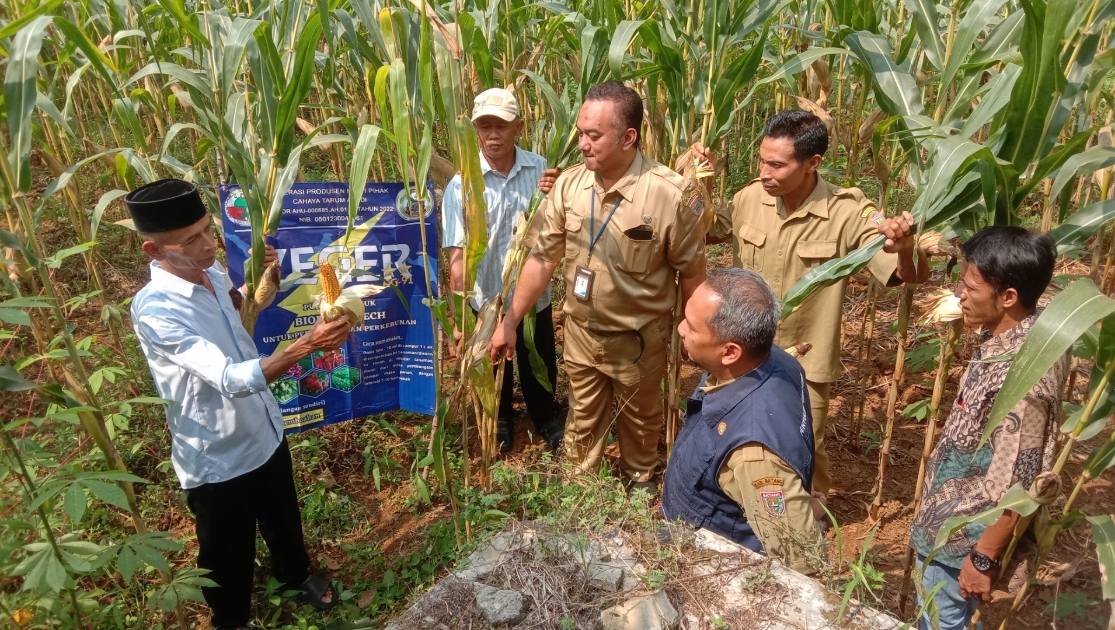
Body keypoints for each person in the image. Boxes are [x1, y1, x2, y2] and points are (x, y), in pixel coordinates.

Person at [127, 179, 352, 630]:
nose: (209, 244)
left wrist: (262, 281)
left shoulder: (210, 274)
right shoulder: (155, 310)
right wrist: (305, 345)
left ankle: (295, 573)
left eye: (208, 230)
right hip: (217, 453)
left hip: (263, 427)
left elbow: (240, 311)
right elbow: (229, 377)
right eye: (191, 240)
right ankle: (230, 618)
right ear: (154, 251)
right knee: (226, 551)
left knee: (282, 517)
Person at [489, 81, 708, 492]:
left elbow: (693, 274)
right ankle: (580, 496)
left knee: (641, 425)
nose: (582, 144)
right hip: (582, 337)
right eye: (580, 133)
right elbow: (540, 259)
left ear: (628, 137)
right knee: (581, 421)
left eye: (594, 136)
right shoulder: (570, 187)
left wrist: (698, 337)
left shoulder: (670, 195)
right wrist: (509, 321)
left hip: (639, 343)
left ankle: (638, 489)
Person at [701, 110, 929, 496]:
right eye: (761, 160)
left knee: (802, 446)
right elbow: (705, 228)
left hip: (805, 360)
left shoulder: (847, 212)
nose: (764, 172)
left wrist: (906, 249)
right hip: (742, 351)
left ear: (813, 163)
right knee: (733, 434)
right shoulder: (748, 198)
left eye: (777, 164)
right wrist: (696, 181)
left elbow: (910, 275)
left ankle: (809, 523)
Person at [908, 227, 1065, 630]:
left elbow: (1017, 481)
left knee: (943, 620)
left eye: (970, 286)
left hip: (963, 539)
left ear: (1008, 297)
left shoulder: (1023, 380)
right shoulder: (1028, 331)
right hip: (952, 524)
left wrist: (982, 558)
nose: (959, 294)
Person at [662, 268, 819, 573]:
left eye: (692, 328)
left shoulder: (753, 455)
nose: (680, 329)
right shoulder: (776, 360)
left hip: (710, 568)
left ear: (731, 352)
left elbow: (799, 559)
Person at [442, 87, 564, 452]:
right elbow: (458, 256)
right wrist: (462, 315)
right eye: (485, 126)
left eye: (502, 126)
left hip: (532, 295)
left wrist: (557, 192)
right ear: (475, 130)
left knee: (537, 357)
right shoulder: (461, 185)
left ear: (519, 128)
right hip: (486, 298)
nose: (493, 135)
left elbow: (560, 227)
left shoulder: (542, 171)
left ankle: (544, 416)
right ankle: (502, 419)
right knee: (496, 365)